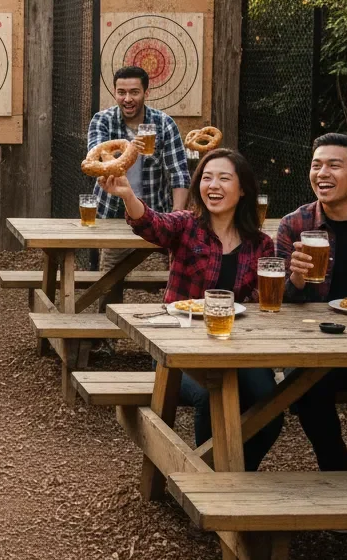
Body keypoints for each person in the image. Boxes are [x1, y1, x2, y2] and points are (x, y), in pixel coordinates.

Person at [102, 147, 284, 470]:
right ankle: (212, 479)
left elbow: (260, 305)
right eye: (207, 178)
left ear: (243, 189)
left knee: (271, 404)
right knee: (210, 394)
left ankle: (238, 474)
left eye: (224, 178)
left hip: (239, 347)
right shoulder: (187, 226)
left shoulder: (260, 244)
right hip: (182, 347)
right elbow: (151, 224)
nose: (213, 185)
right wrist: (128, 194)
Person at [277, 133, 347, 471]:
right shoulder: (294, 224)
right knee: (302, 386)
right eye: (316, 165)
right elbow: (274, 304)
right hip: (319, 352)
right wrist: (295, 281)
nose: (322, 173)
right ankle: (336, 468)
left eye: (333, 165)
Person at [87, 65, 191, 280]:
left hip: (157, 212)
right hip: (114, 213)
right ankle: (107, 312)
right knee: (110, 279)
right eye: (121, 92)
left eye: (134, 92)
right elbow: (99, 162)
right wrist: (131, 149)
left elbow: (179, 173)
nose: (127, 99)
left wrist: (176, 217)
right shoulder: (102, 120)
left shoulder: (164, 123)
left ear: (146, 93)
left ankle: (171, 310)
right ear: (115, 92)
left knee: (176, 274)